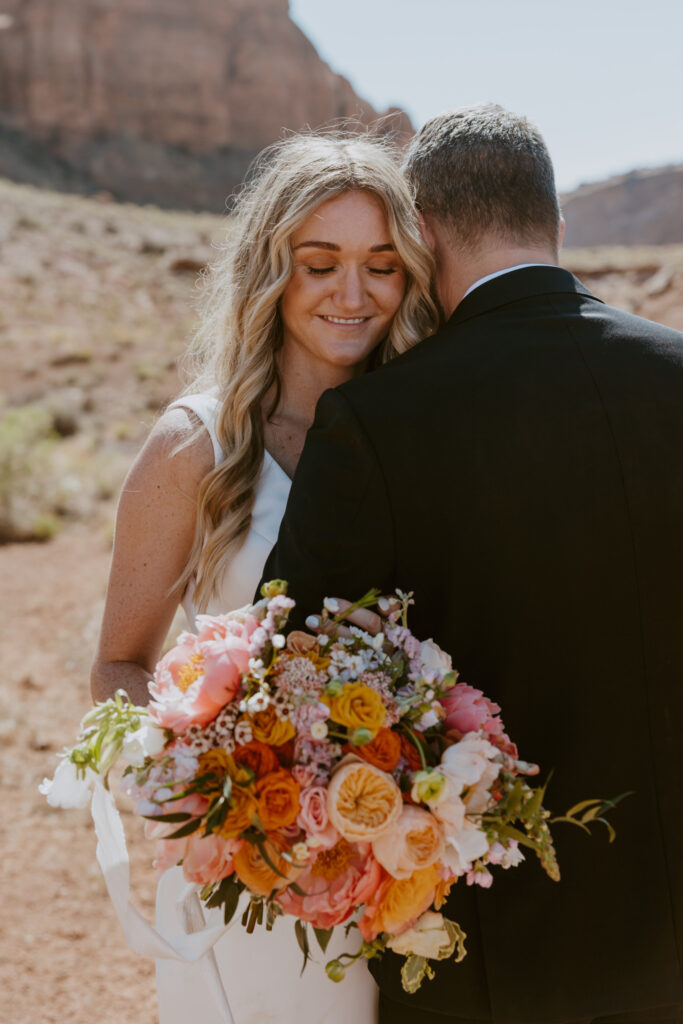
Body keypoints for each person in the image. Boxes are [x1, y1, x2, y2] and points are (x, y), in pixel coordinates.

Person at [261, 105, 683, 1024]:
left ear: (419, 234)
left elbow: (290, 662)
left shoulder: (378, 422)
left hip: (493, 952)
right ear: (555, 224)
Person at [90, 132, 438, 1024]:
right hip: (250, 874)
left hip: (409, 872)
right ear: (270, 271)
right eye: (319, 264)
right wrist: (204, 802)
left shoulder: (428, 434)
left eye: (382, 266)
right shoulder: (195, 445)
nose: (352, 295)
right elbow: (120, 664)